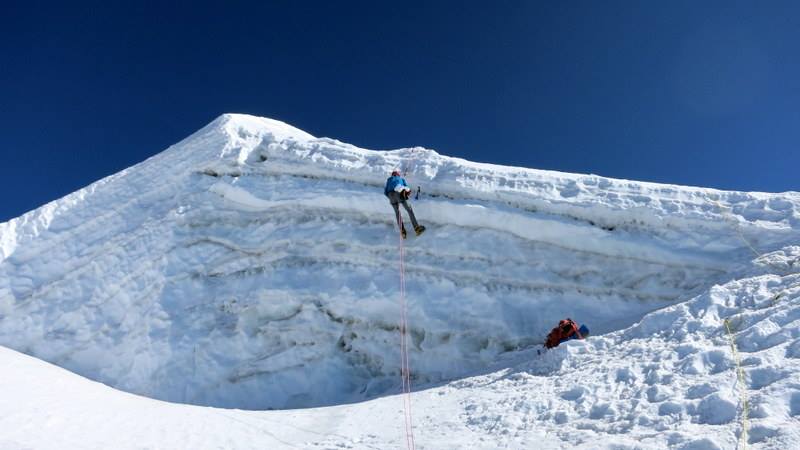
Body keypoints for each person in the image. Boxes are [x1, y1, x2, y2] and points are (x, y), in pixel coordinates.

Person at [384, 170, 425, 239]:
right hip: (398, 193)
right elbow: (406, 189)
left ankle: (402, 232)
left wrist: (392, 198)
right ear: (398, 175)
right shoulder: (401, 179)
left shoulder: (389, 180)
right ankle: (417, 228)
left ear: (392, 175)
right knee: (409, 210)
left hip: (390, 196)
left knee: (397, 213)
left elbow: (385, 192)